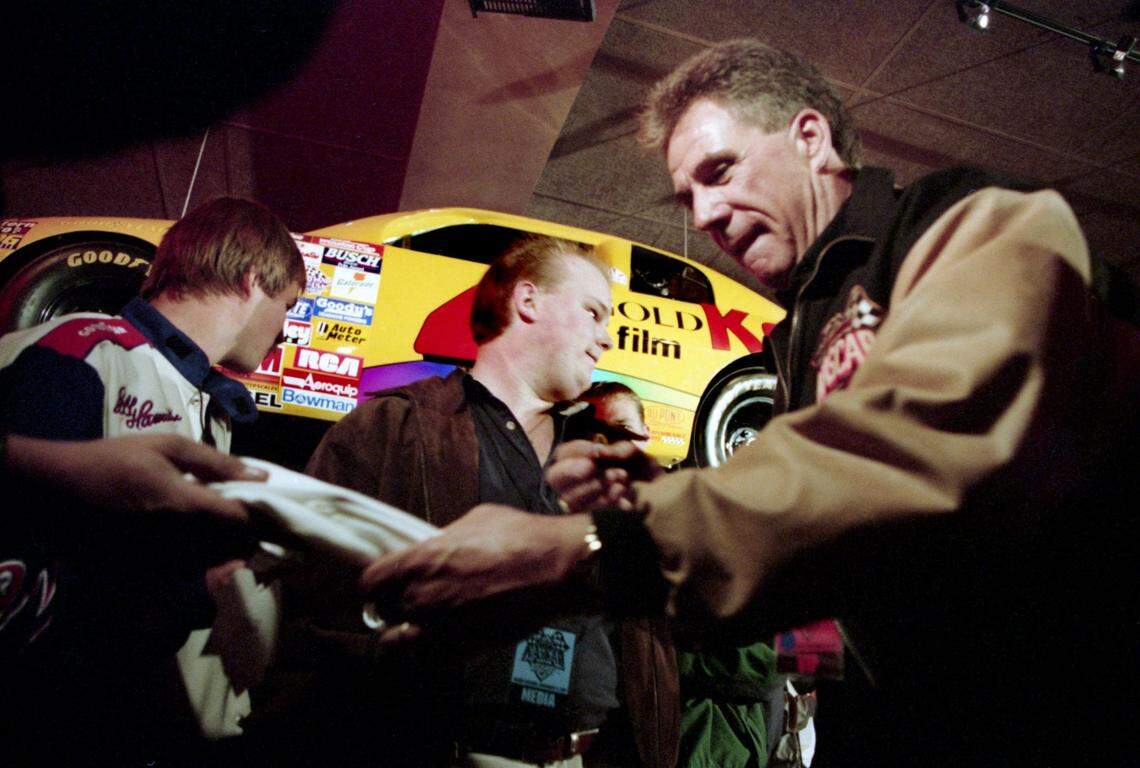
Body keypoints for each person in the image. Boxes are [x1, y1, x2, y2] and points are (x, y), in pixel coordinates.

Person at [358, 39, 1139, 767]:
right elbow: (817, 547)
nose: (702, 216)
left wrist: (598, 548)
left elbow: (938, 438)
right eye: (686, 195)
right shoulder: (788, 342)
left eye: (720, 170)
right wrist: (650, 497)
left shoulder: (969, 217)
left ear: (810, 137)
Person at [254, 234, 676, 768]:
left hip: (585, 755)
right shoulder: (394, 428)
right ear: (528, 301)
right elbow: (310, 605)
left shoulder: (609, 460)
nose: (606, 338)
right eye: (593, 312)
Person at [0, 196, 305, 764]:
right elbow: (29, 555)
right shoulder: (82, 349)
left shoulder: (203, 402)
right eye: (287, 306)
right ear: (253, 279)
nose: (284, 332)